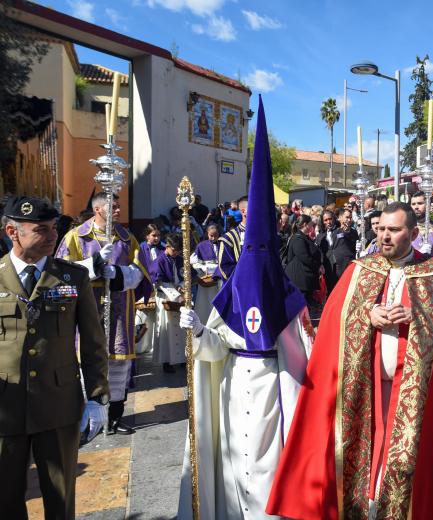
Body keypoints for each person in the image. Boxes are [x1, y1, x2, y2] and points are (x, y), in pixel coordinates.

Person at [267, 202, 433, 519]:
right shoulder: (360, 270)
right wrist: (366, 314)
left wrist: (418, 316)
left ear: (413, 233)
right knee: (364, 458)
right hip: (366, 391)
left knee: (406, 463)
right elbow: (334, 317)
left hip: (414, 396)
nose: (385, 237)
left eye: (394, 230)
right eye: (380, 229)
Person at [177, 96, 314, 520]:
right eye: (248, 249)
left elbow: (303, 357)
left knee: (270, 468)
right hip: (234, 386)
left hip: (275, 389)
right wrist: (200, 330)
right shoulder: (232, 290)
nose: (254, 258)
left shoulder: (288, 297)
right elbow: (217, 349)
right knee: (233, 464)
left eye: (261, 249)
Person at [0, 196, 109, 519]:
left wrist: (97, 398)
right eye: (41, 230)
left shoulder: (72, 278)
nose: (52, 237)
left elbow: (93, 343)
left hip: (58, 405)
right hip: (5, 408)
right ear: (12, 231)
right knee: (5, 500)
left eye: (54, 229)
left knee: (60, 500)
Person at [56, 191, 151, 435]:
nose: (119, 210)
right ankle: (87, 416)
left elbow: (140, 270)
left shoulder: (127, 239)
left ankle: (115, 418)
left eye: (119, 206)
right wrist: (95, 265)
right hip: (87, 310)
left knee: (118, 365)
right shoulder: (76, 237)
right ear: (98, 209)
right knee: (87, 361)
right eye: (114, 206)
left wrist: (119, 274)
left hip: (119, 310)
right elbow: (61, 273)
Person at [152, 233, 186, 373]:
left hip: (180, 297)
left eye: (178, 251)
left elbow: (186, 274)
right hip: (165, 297)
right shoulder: (160, 260)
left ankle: (182, 359)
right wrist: (176, 295)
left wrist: (183, 285)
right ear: (167, 247)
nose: (176, 253)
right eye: (174, 250)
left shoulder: (179, 258)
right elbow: (160, 282)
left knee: (182, 328)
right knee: (167, 331)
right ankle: (167, 361)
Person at [135, 223, 165, 355]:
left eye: (158, 235)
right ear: (147, 236)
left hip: (159, 286)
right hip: (144, 285)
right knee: (143, 314)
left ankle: (155, 345)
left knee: (158, 315)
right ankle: (140, 345)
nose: (157, 238)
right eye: (154, 235)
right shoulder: (140, 248)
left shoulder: (163, 248)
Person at [284, 215, 322, 306]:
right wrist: (318, 266)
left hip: (305, 279)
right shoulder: (298, 238)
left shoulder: (304, 237)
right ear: (305, 224)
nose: (312, 227)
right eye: (311, 224)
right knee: (302, 307)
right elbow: (305, 257)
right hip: (300, 280)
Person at [317, 207, 357, 292]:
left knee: (345, 289)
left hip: (344, 265)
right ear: (323, 222)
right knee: (332, 291)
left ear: (334, 219)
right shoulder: (321, 236)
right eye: (326, 220)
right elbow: (320, 251)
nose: (328, 222)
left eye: (330, 219)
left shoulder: (341, 229)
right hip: (329, 267)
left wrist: (347, 231)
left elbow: (350, 235)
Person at [191, 224, 221, 323]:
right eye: (211, 235)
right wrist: (203, 269)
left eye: (215, 235)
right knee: (205, 305)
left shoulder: (223, 244)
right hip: (206, 280)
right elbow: (194, 262)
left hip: (220, 280)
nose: (213, 238)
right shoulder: (201, 246)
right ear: (207, 234)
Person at [216, 195, 247, 280]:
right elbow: (225, 268)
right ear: (244, 211)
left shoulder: (264, 236)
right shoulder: (228, 238)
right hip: (241, 287)